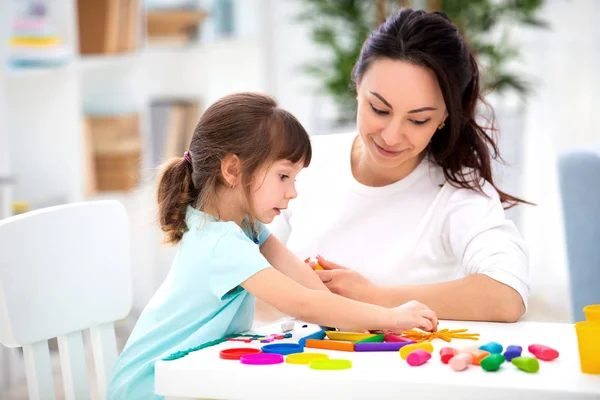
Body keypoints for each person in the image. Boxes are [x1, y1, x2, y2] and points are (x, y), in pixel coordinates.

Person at [107, 92, 437, 399]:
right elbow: (302, 303)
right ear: (233, 169)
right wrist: (392, 317)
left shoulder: (246, 228)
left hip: (188, 375)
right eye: (283, 177)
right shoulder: (220, 242)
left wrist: (361, 320)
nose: (292, 192)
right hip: (151, 386)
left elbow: (306, 284)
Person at [267, 9, 530, 324]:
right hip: (297, 361)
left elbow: (507, 295)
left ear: (445, 117)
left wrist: (375, 299)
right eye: (379, 109)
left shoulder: (457, 191)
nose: (391, 136)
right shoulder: (305, 162)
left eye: (418, 120)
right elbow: (248, 261)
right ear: (358, 85)